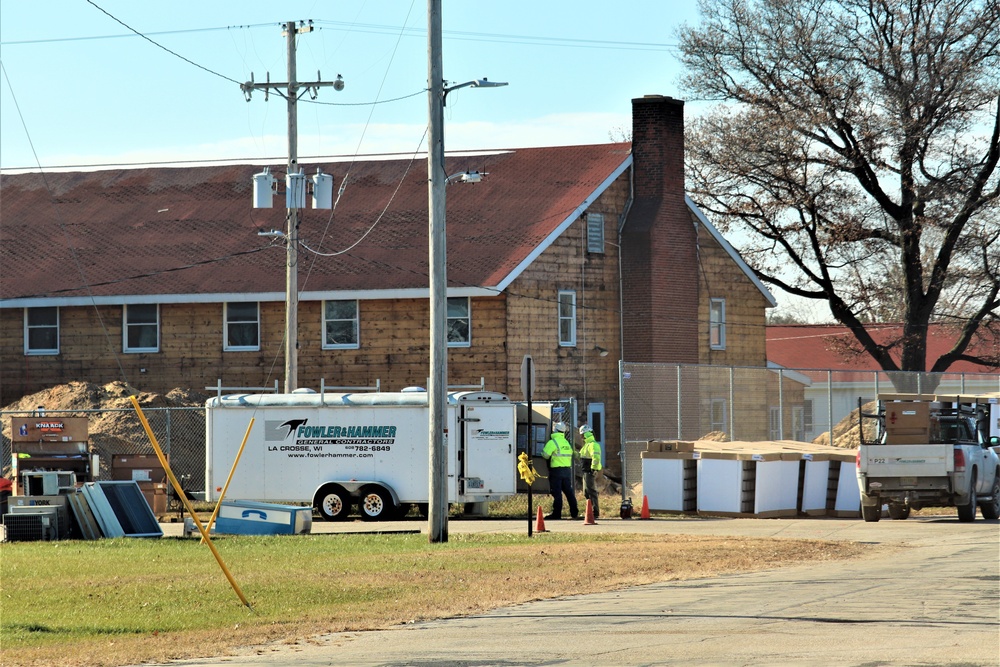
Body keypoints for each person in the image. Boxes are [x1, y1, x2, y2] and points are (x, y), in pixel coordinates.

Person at [541, 422, 578, 520]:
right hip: (567, 470)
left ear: (555, 430)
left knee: (557, 493)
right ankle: (574, 512)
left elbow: (545, 455)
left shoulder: (553, 442)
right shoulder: (566, 443)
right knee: (569, 492)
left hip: (556, 471)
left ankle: (557, 514)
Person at [578, 425, 603, 518]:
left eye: (581, 435)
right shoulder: (587, 445)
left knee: (591, 491)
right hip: (585, 471)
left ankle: (594, 512)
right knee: (586, 491)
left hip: (589, 471)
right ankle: (590, 510)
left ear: (585, 434)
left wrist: (593, 469)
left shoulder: (593, 445)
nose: (580, 437)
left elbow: (596, 458)